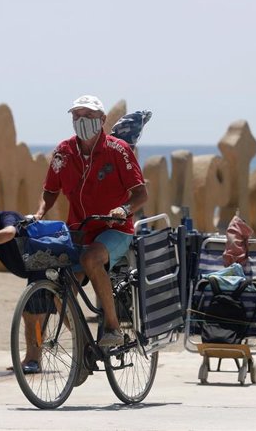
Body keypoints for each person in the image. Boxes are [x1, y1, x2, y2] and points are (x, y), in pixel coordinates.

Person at [33, 94, 148, 348]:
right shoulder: (63, 152)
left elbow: (141, 195)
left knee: (91, 259)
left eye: (88, 116)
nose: (81, 121)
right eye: (76, 116)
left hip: (115, 229)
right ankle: (83, 343)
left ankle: (112, 327)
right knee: (60, 291)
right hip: (79, 230)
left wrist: (124, 209)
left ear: (102, 119)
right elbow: (50, 190)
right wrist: (40, 212)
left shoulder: (118, 150)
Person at [0, 205, 47, 374]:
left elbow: (9, 233)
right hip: (33, 269)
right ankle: (31, 358)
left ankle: (35, 359)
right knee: (31, 314)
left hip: (41, 263)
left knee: (35, 315)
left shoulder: (7, 217)